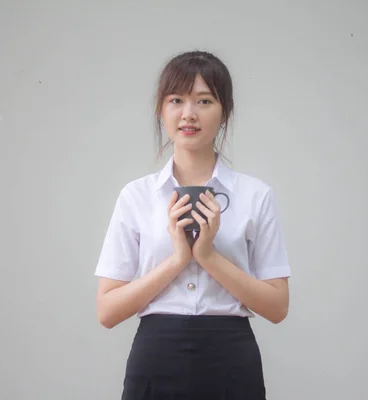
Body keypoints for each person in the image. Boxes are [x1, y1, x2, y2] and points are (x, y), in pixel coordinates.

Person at [95, 50, 291, 400]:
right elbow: (107, 312)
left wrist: (208, 256)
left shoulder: (255, 195)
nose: (189, 114)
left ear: (225, 112)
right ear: (161, 110)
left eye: (204, 101)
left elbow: (277, 308)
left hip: (232, 356)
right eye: (176, 100)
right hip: (156, 354)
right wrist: (177, 260)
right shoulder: (136, 196)